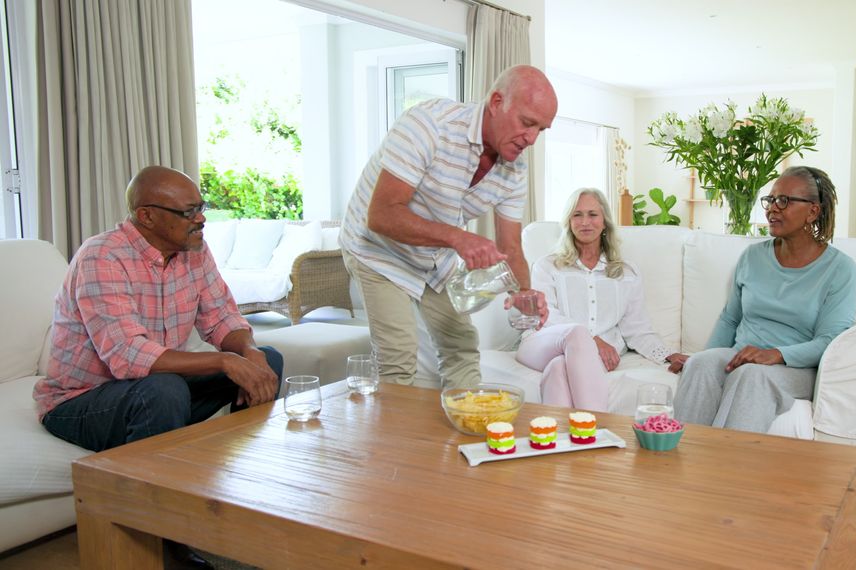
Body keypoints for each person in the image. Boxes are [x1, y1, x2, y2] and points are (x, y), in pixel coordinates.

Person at [33, 166, 283, 569]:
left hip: (153, 390)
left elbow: (223, 319)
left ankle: (239, 496)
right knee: (164, 390)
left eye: (201, 207)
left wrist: (247, 351)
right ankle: (163, 539)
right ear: (146, 216)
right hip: (80, 400)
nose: (200, 218)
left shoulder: (194, 250)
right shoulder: (102, 257)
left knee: (267, 360)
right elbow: (127, 355)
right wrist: (223, 360)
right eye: (188, 212)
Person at [341, 64, 557, 388]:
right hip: (376, 248)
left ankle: (465, 430)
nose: (531, 138)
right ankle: (395, 439)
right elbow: (382, 215)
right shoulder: (429, 125)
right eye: (527, 123)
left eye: (541, 129)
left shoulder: (516, 169)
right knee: (399, 355)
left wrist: (524, 292)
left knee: (462, 345)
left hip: (432, 254)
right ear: (496, 103)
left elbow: (510, 247)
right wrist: (458, 238)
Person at [673, 166, 856, 434]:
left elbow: (830, 340)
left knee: (752, 376)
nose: (772, 208)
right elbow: (730, 318)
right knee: (700, 364)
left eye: (784, 201)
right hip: (742, 355)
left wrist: (777, 354)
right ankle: (678, 459)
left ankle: (726, 470)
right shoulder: (752, 257)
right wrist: (704, 355)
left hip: (795, 367)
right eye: (770, 200)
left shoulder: (840, 269)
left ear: (813, 211)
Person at [515, 188, 688, 411]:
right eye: (577, 215)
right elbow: (546, 317)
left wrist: (667, 354)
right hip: (540, 344)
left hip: (580, 358)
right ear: (568, 221)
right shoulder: (548, 266)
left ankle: (560, 440)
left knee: (559, 368)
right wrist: (592, 340)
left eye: (592, 214)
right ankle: (597, 429)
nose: (585, 222)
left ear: (605, 221)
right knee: (577, 334)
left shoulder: (626, 273)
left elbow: (636, 328)